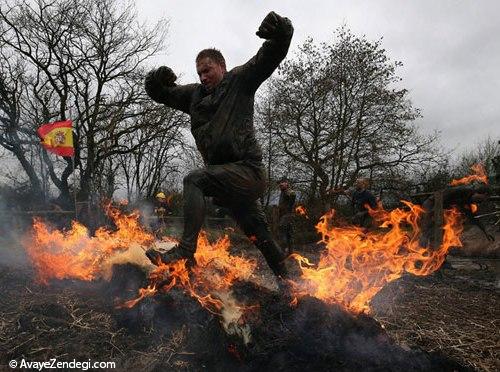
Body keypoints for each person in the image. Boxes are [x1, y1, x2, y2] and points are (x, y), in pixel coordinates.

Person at [144, 12, 294, 280]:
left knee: (194, 180)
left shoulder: (239, 81)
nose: (203, 77)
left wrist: (280, 30)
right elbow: (161, 95)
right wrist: (156, 80)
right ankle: (292, 285)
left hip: (248, 172)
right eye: (199, 72)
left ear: (221, 67)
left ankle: (185, 253)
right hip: (226, 182)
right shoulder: (193, 96)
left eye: (208, 70)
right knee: (260, 235)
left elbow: (269, 57)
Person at [419, 183, 495, 248]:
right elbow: (442, 196)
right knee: (431, 229)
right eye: (482, 199)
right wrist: (432, 214)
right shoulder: (463, 191)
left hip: (440, 209)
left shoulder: (467, 201)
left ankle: (438, 256)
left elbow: (473, 217)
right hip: (431, 204)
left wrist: (485, 232)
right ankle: (422, 246)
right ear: (483, 194)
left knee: (442, 231)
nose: (480, 202)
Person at [277, 177, 296, 255]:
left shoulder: (287, 191)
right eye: (279, 183)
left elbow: (293, 194)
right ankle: (290, 252)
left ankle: (283, 252)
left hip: (287, 215)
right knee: (288, 233)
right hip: (285, 215)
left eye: (282, 183)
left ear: (287, 183)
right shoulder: (283, 191)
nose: (280, 184)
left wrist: (288, 190)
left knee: (283, 232)